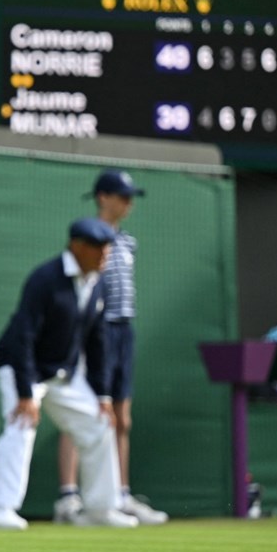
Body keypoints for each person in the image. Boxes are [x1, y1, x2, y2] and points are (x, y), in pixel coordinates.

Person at [0, 218, 137, 531]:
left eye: (108, 249)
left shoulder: (99, 283)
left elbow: (97, 342)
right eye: (99, 249)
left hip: (64, 372)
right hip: (24, 367)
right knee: (21, 424)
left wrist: (103, 396)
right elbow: (24, 335)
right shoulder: (45, 279)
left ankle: (100, 509)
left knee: (100, 423)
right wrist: (25, 393)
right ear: (77, 246)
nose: (105, 255)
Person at [56, 170, 168, 526]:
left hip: (124, 331)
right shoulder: (85, 238)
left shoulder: (129, 242)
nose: (128, 203)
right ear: (103, 197)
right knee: (80, 413)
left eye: (130, 196)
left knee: (121, 418)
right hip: (93, 332)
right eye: (122, 196)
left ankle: (119, 495)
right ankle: (69, 497)